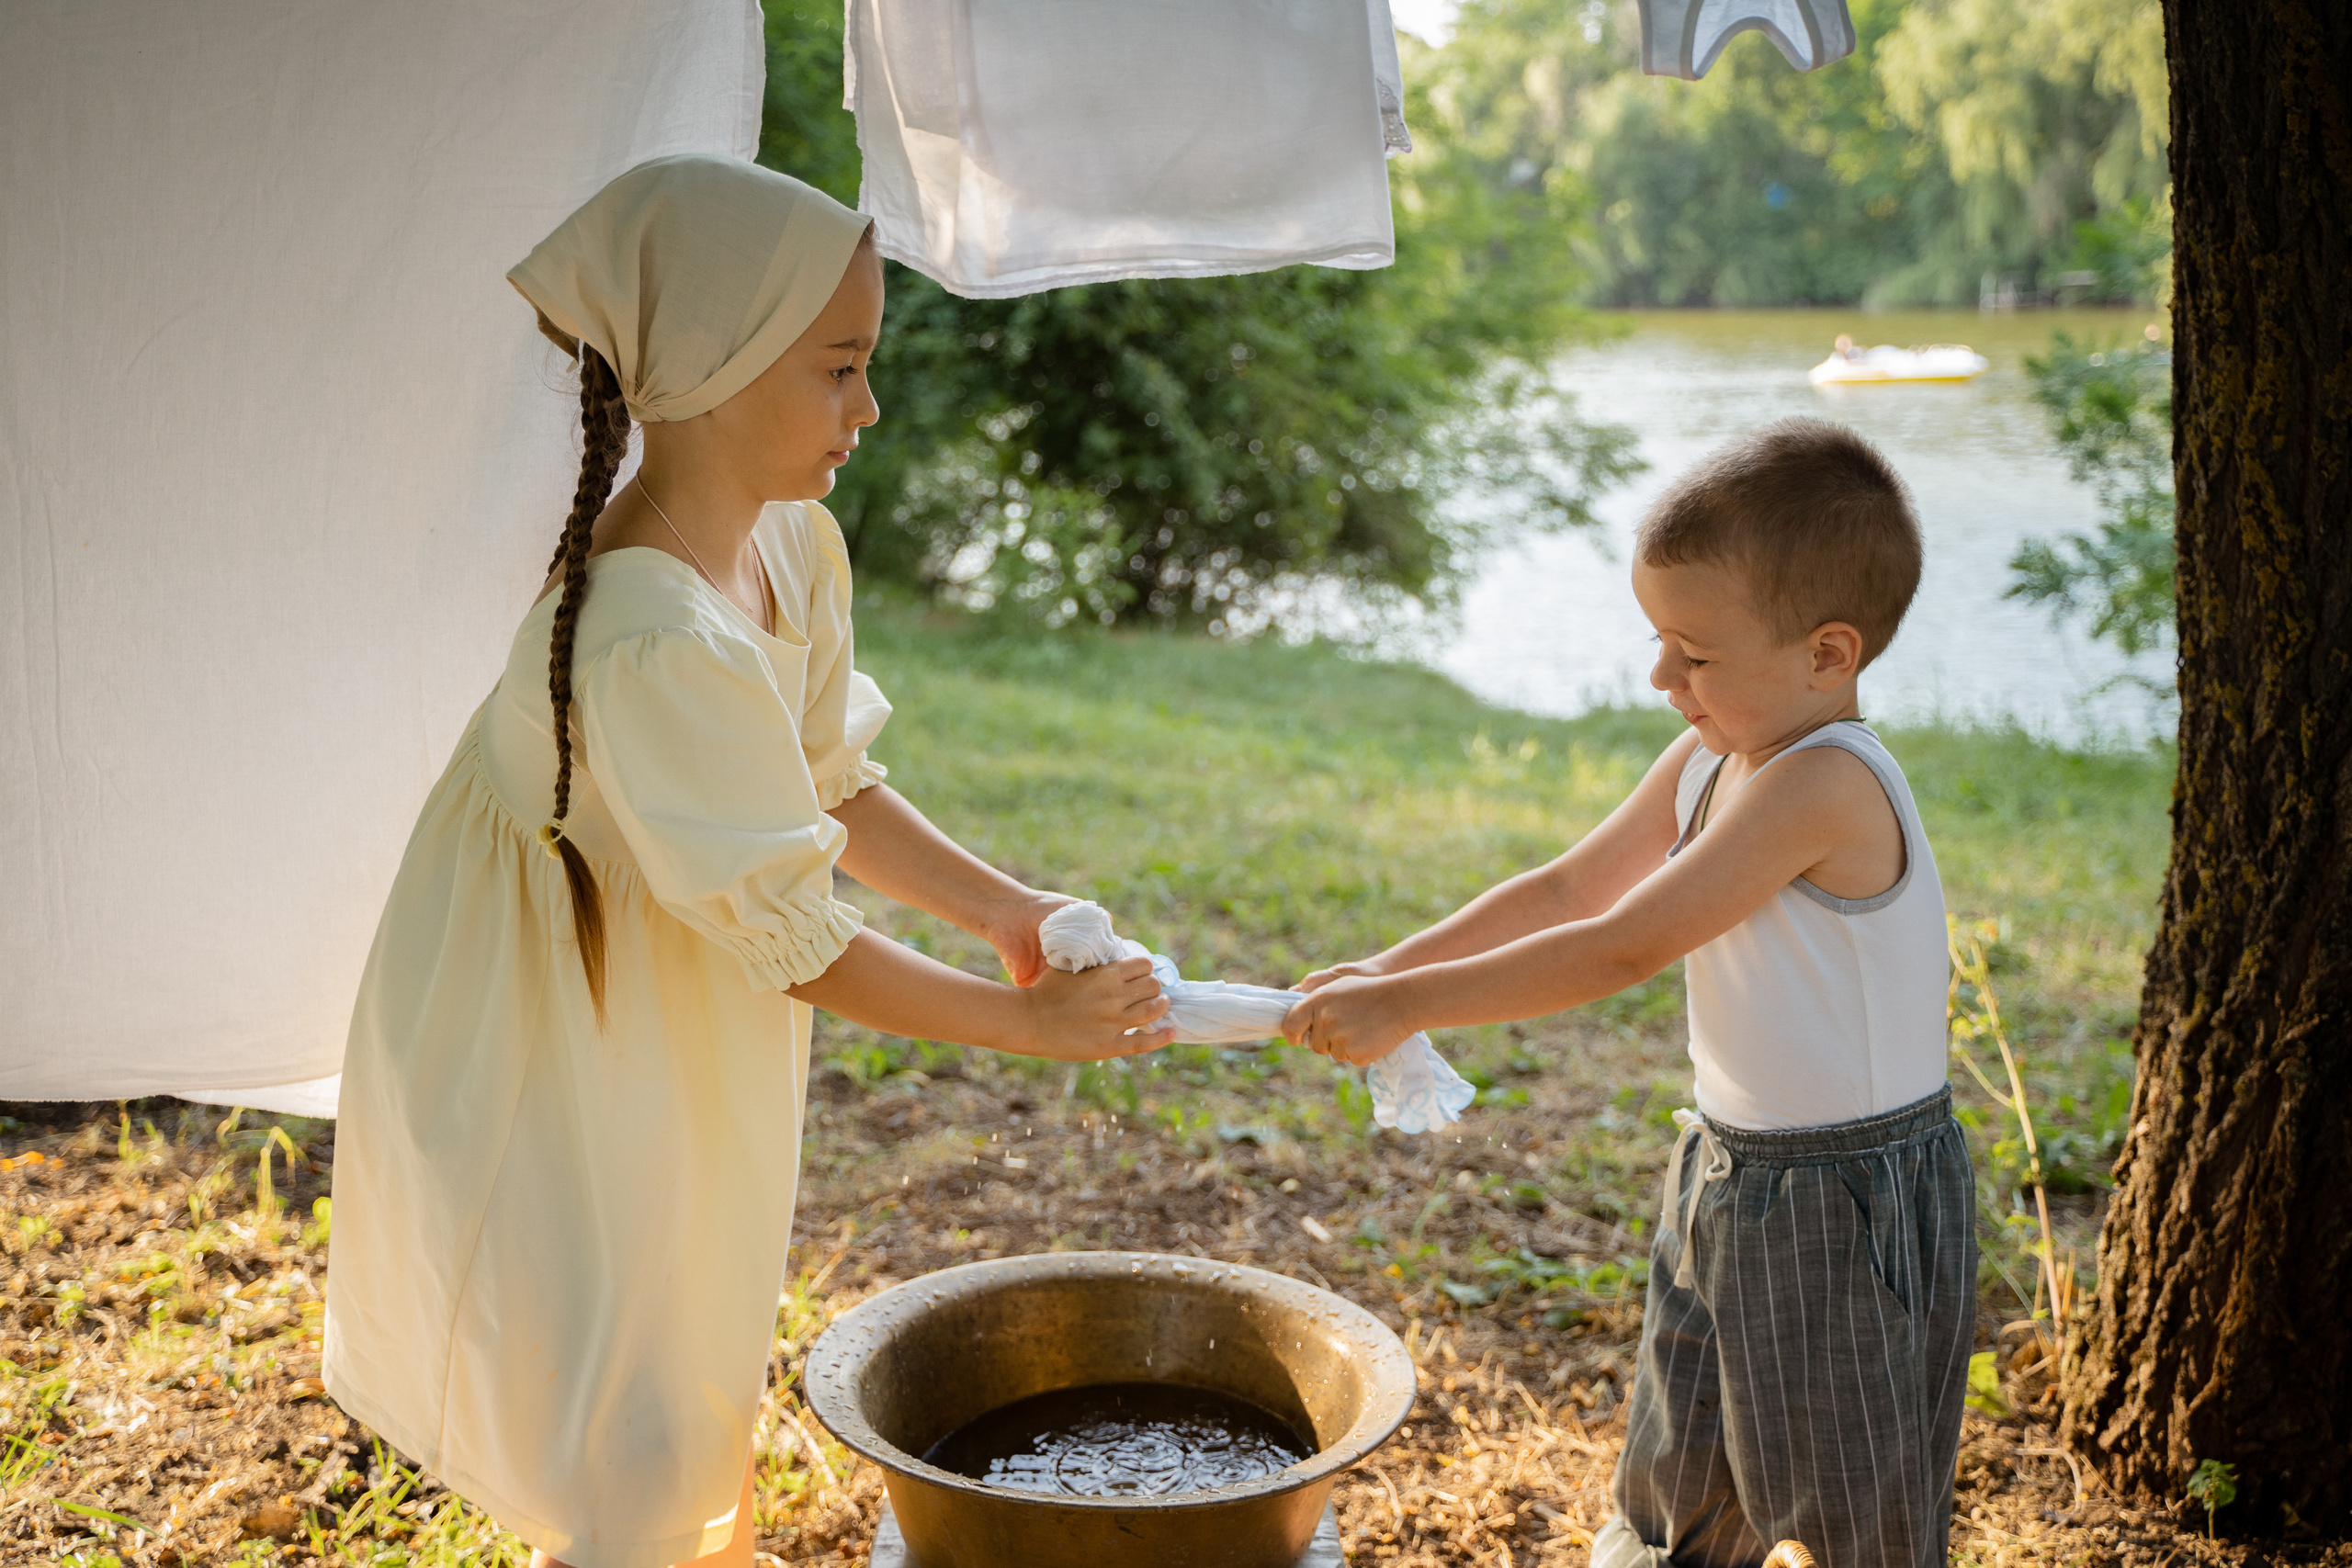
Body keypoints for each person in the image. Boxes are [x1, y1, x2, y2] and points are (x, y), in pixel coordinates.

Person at [322, 156, 1172, 1568]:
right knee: (619, 1358)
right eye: (841, 368)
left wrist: (1004, 906)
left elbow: (828, 784)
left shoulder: (792, 545)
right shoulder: (652, 632)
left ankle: (690, 1542)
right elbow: (806, 937)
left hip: (672, 976)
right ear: (712, 366)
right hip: (554, 1012)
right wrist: (1017, 1022)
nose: (871, 406)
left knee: (691, 1289)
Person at [1283, 418, 1972, 1568]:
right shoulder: (1713, 755)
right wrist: (1388, 970)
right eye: (1658, 642)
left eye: (1693, 654)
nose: (1661, 679)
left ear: (1826, 653)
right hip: (1727, 1170)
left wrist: (1410, 1011)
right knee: (1679, 1470)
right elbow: (1566, 886)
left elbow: (1618, 947)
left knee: (1843, 1504)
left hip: (1846, 1199)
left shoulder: (1829, 784)